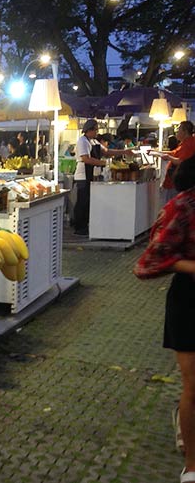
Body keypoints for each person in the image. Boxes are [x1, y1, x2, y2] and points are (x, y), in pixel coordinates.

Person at [134, 156, 195, 483]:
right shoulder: (182, 208)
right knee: (193, 386)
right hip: (189, 302)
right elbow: (150, 261)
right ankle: (192, 464)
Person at [72, 119, 134, 235]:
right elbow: (86, 158)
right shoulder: (83, 141)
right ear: (89, 130)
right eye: (95, 130)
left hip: (92, 173)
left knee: (89, 201)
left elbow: (107, 152)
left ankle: (86, 224)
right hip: (83, 175)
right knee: (83, 201)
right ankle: (79, 226)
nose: (97, 132)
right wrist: (104, 163)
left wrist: (124, 151)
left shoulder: (94, 141)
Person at [161, 121, 195, 203]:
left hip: (176, 184)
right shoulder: (184, 144)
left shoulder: (189, 144)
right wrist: (159, 153)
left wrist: (168, 157)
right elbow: (174, 153)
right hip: (173, 183)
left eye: (179, 129)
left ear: (185, 131)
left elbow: (181, 161)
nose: (177, 131)